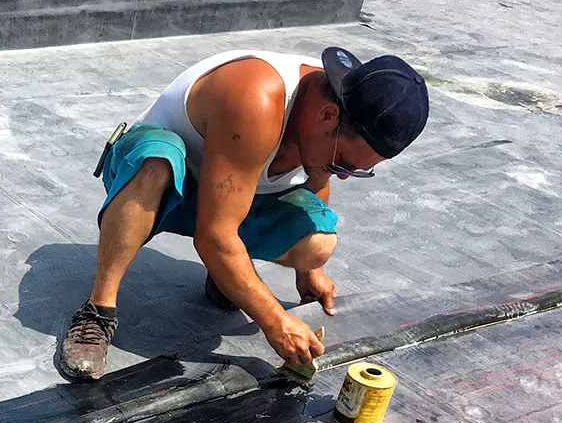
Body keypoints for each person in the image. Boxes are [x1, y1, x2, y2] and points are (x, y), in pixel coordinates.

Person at [58, 46, 429, 381]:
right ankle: (98, 310)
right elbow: (213, 235)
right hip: (154, 181)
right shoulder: (257, 97)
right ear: (328, 116)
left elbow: (316, 179)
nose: (340, 174)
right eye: (343, 164)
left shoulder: (339, 107)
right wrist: (274, 321)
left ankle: (225, 278)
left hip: (230, 190)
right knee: (156, 164)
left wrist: (310, 270)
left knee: (316, 242)